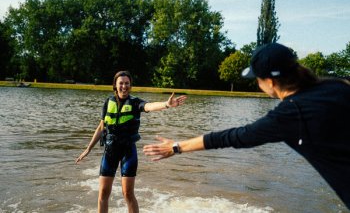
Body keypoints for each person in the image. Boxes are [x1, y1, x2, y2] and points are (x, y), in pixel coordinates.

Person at [143, 43, 350, 209]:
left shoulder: (288, 115)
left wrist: (175, 147)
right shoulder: (337, 85)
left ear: (269, 82)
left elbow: (235, 136)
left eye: (257, 79)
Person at [76, 70, 187, 213]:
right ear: (115, 85)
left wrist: (166, 104)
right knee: (103, 194)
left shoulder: (135, 103)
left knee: (128, 194)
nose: (124, 86)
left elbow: (149, 106)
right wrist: (88, 149)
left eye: (127, 83)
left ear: (130, 85)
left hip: (128, 152)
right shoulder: (108, 102)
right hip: (109, 151)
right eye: (121, 83)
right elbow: (101, 126)